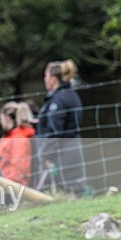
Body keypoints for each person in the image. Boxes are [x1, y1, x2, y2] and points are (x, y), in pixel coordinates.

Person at [36, 59, 87, 195]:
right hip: (72, 147)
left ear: (53, 78)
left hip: (62, 152)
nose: (45, 79)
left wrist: (45, 154)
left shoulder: (58, 100)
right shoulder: (71, 95)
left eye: (46, 76)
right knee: (74, 188)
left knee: (66, 189)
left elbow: (55, 131)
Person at [0, 101, 35, 186]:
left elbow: (18, 169)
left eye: (1, 119)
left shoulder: (18, 139)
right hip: (4, 182)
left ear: (7, 118)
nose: (0, 122)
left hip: (11, 186)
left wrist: (4, 185)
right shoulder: (9, 136)